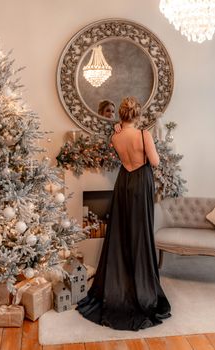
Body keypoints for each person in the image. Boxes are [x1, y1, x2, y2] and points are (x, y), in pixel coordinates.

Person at [76, 96, 171, 331]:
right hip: (141, 183)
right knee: (141, 233)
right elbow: (156, 162)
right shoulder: (143, 135)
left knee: (122, 232)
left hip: (124, 181)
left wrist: (120, 128)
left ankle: (122, 283)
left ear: (120, 115)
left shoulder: (115, 136)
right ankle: (141, 285)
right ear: (137, 115)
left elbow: (122, 152)